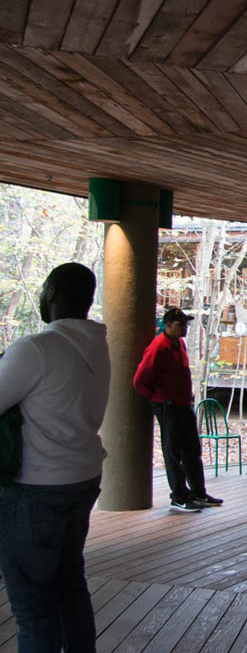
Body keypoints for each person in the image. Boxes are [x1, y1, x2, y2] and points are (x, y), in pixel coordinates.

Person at [0, 263, 110, 650]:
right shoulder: (98, 346)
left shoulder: (36, 348)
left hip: (37, 486)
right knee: (69, 583)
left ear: (51, 293)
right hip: (82, 479)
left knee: (34, 605)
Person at [134, 307, 222, 512]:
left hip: (183, 404)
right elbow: (140, 380)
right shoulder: (159, 347)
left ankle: (198, 492)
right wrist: (158, 399)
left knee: (192, 449)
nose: (184, 328)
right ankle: (179, 495)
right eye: (180, 324)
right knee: (172, 451)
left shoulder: (179, 343)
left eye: (186, 324)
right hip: (169, 405)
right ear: (168, 325)